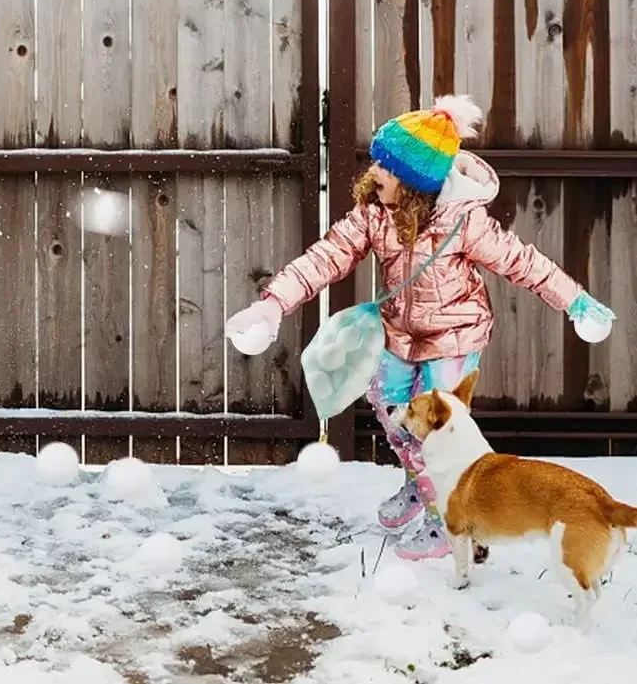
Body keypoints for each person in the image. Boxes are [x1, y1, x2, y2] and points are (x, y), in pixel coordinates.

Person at [226, 96, 614, 561]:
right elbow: (325, 257)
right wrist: (272, 304)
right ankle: (422, 484)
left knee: (439, 431)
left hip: (454, 338)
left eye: (385, 168)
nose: (375, 176)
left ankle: (449, 520)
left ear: (415, 183)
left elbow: (523, 263)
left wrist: (577, 301)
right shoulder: (375, 213)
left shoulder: (464, 222)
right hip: (399, 335)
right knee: (394, 414)